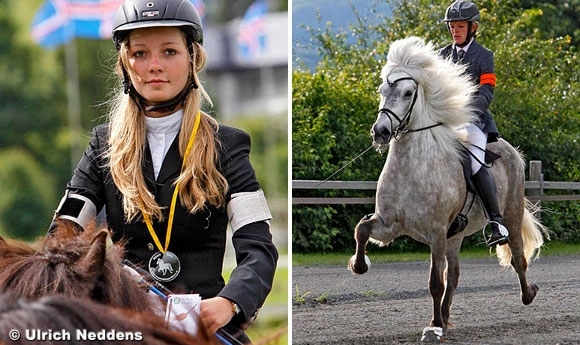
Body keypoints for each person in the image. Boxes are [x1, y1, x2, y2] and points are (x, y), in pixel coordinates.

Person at [48, 0, 278, 343]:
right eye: (140, 53)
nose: (154, 65)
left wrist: (230, 303)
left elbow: (259, 248)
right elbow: (62, 235)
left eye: (169, 51)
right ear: (125, 64)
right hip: (126, 325)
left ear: (193, 58)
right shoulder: (102, 144)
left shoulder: (228, 145)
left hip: (205, 327)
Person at [438, 0, 509, 246]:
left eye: (460, 26)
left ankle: (497, 223)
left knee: (475, 162)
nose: (455, 31)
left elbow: (486, 92)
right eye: (452, 26)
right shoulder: (442, 56)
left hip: (474, 123)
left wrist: (464, 111)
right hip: (445, 124)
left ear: (473, 27)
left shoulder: (484, 56)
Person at [0, 293, 217, 345]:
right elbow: (66, 224)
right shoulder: (99, 174)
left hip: (215, 318)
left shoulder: (234, 174)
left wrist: (233, 300)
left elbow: (252, 247)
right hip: (128, 310)